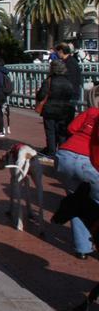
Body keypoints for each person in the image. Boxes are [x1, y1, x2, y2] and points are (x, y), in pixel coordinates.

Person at [55, 86, 99, 259]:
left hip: (65, 155)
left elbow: (72, 128)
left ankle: (83, 248)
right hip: (87, 161)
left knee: (77, 201)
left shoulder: (90, 112)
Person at [36, 60, 75, 156]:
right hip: (65, 110)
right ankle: (62, 151)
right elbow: (71, 95)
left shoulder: (49, 81)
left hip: (50, 109)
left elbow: (41, 96)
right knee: (62, 132)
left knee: (50, 132)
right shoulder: (68, 81)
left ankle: (51, 151)